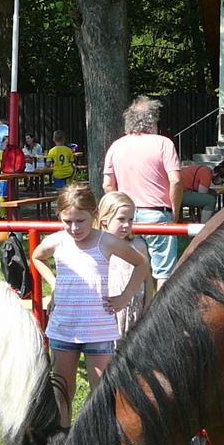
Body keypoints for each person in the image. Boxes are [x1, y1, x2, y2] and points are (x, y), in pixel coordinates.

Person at [31, 182, 150, 426]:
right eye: (67, 221)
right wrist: (54, 284)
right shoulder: (58, 241)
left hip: (98, 329)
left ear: (94, 215)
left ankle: (100, 439)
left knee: (102, 393)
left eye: (81, 221)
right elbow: (37, 256)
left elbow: (142, 264)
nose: (74, 228)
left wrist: (125, 297)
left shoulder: (106, 241)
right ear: (59, 217)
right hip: (64, 328)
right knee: (62, 391)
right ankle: (63, 439)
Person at [103, 96, 182, 289]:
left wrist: (118, 211)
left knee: (131, 269)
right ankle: (162, 308)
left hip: (126, 218)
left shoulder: (116, 146)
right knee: (164, 273)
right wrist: (175, 211)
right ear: (153, 120)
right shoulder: (163, 143)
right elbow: (176, 180)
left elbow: (107, 185)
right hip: (157, 214)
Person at [97, 191, 154, 337]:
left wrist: (148, 306)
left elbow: (147, 279)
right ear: (104, 219)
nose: (126, 225)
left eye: (130, 220)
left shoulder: (138, 246)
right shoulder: (97, 246)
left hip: (134, 309)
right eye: (121, 219)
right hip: (108, 309)